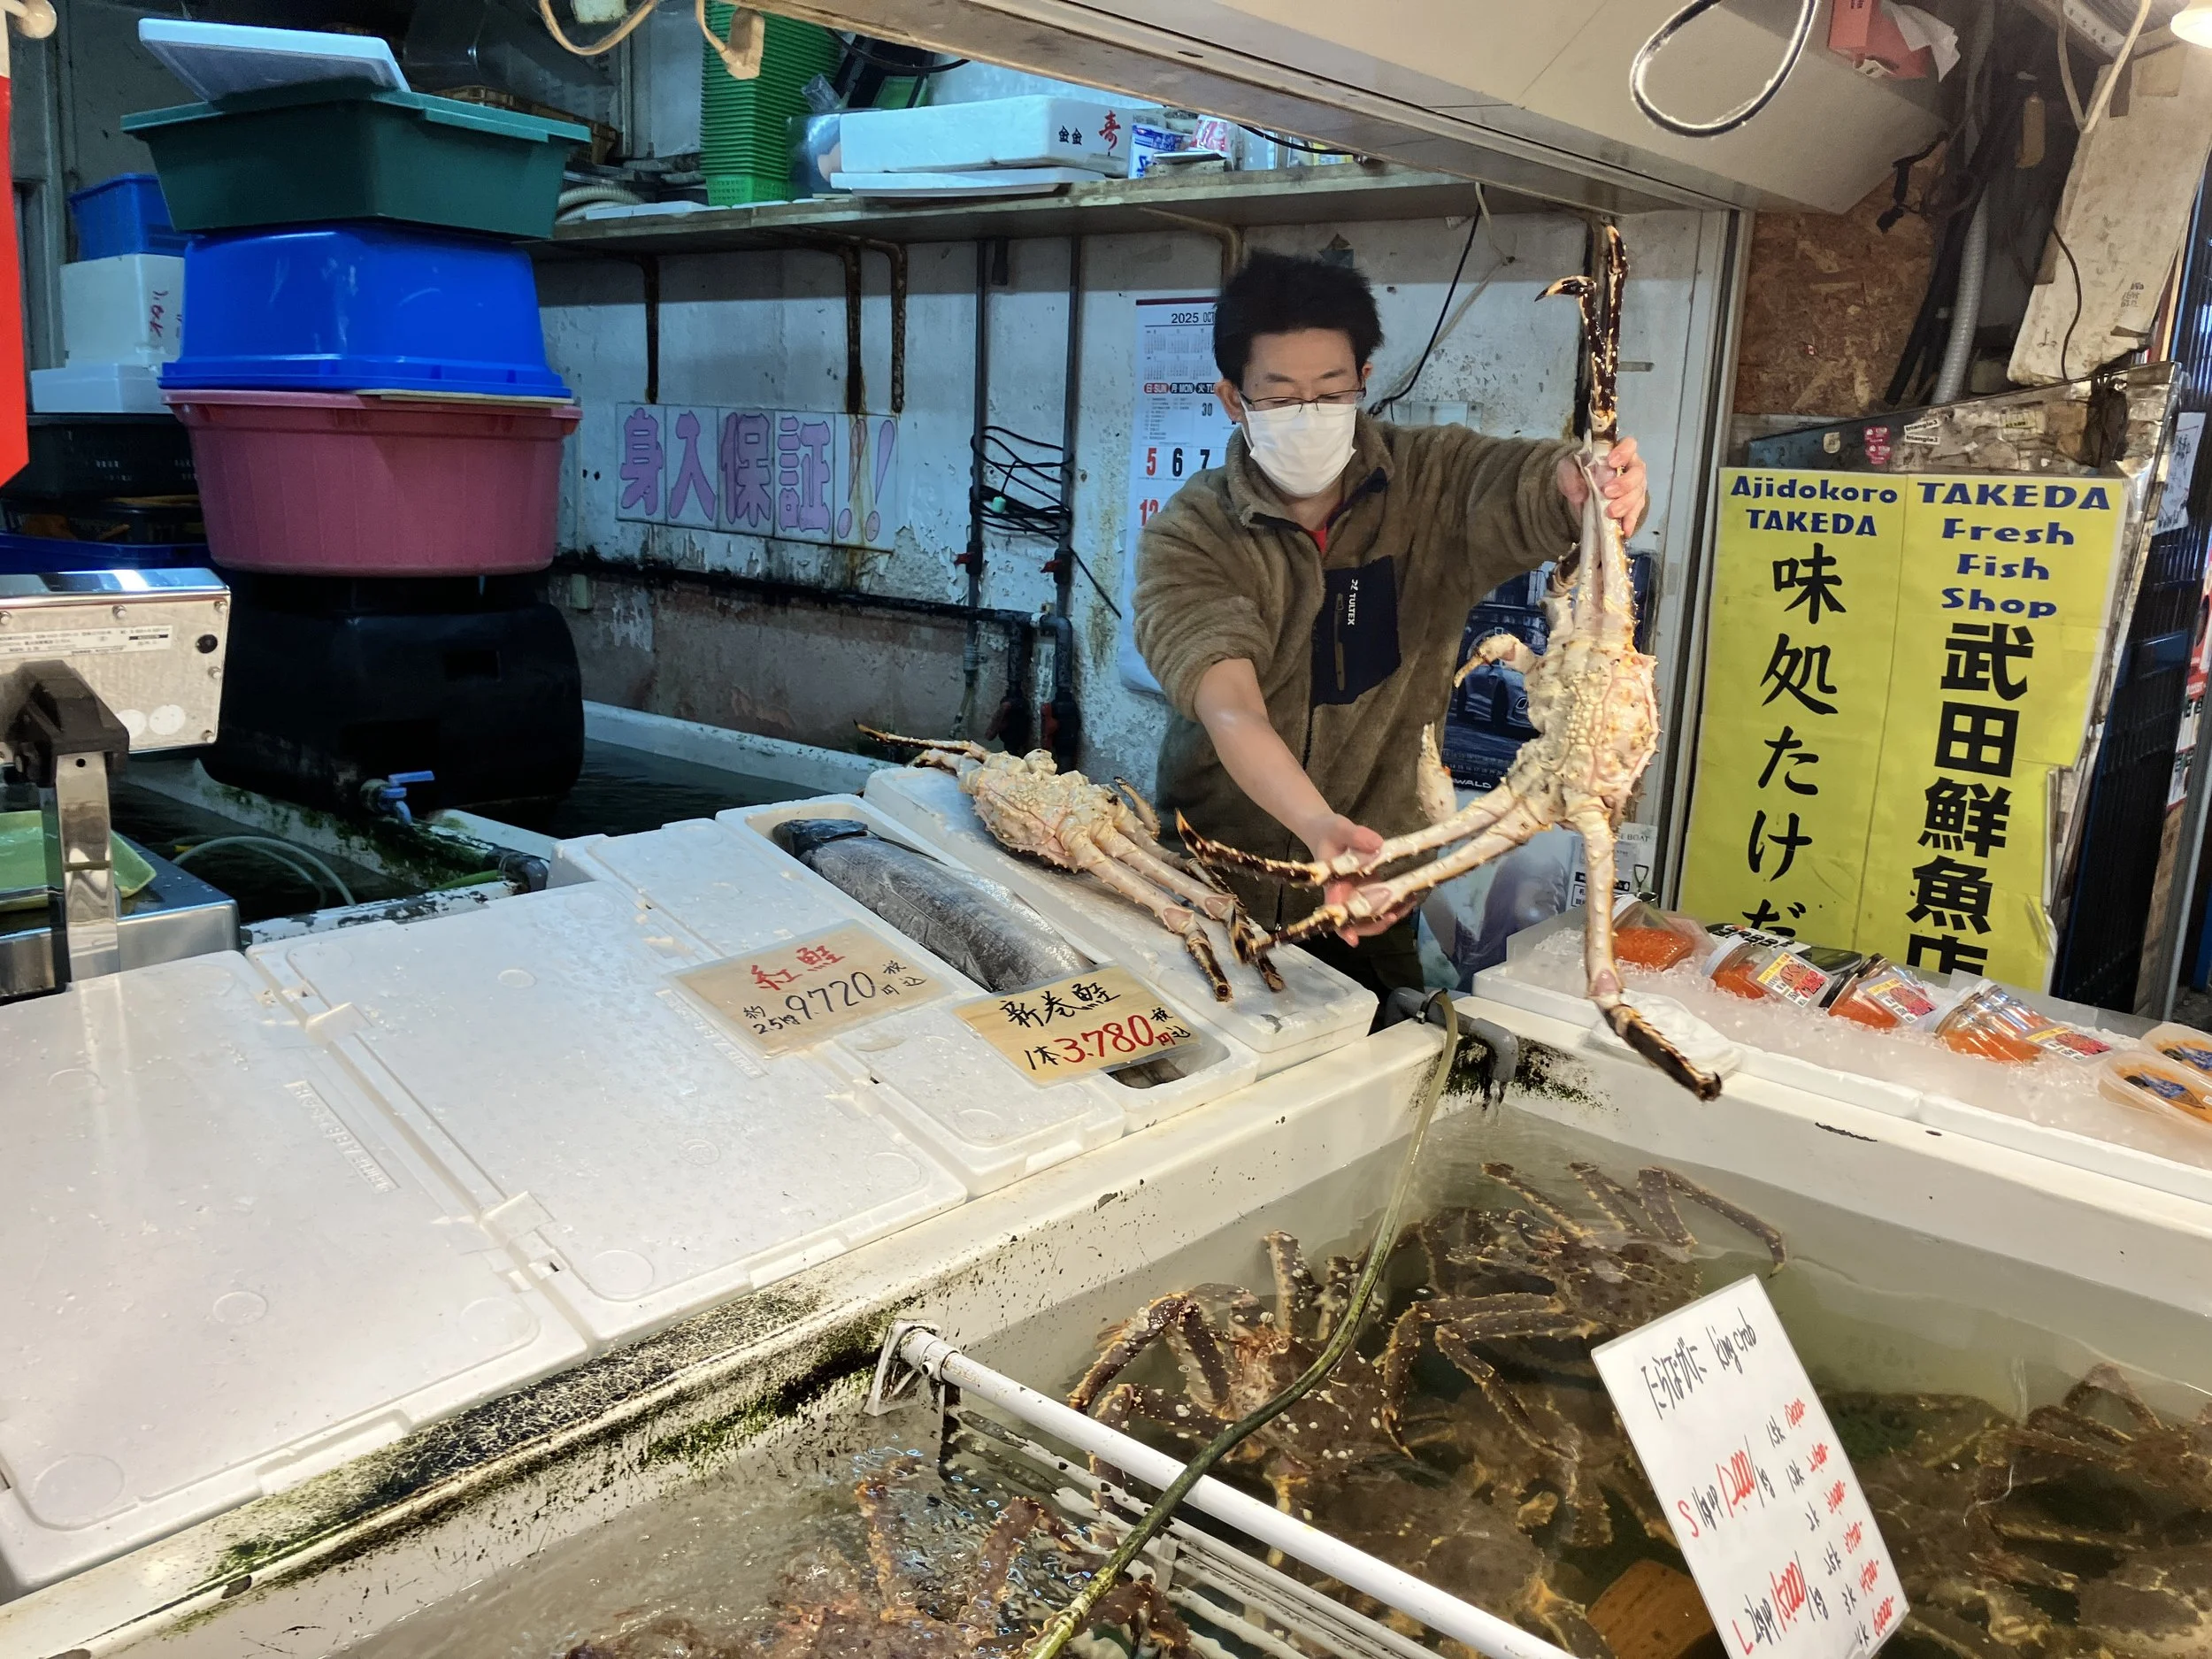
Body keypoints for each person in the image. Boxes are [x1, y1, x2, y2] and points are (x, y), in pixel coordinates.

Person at [1133, 250, 1648, 998]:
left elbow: (1525, 488)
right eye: (1279, 396)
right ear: (1232, 399)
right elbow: (1228, 705)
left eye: (1329, 389)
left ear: (1363, 384)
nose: (1309, 413)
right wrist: (1319, 828)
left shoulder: (1431, 481)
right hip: (1207, 886)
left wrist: (1586, 488)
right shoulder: (1192, 534)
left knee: (1384, 1060)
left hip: (1372, 893)